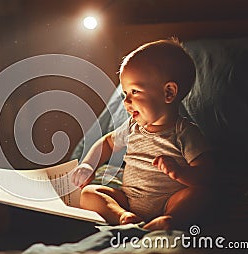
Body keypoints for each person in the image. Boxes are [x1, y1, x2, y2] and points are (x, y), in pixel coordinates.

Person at [71, 39, 214, 230]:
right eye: (125, 94)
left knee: (199, 194)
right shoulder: (131, 126)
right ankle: (124, 217)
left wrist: (181, 173)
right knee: (89, 193)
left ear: (169, 93)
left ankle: (168, 220)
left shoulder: (185, 133)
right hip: (129, 199)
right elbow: (107, 142)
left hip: (168, 202)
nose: (126, 101)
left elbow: (206, 174)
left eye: (134, 91)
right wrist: (89, 165)